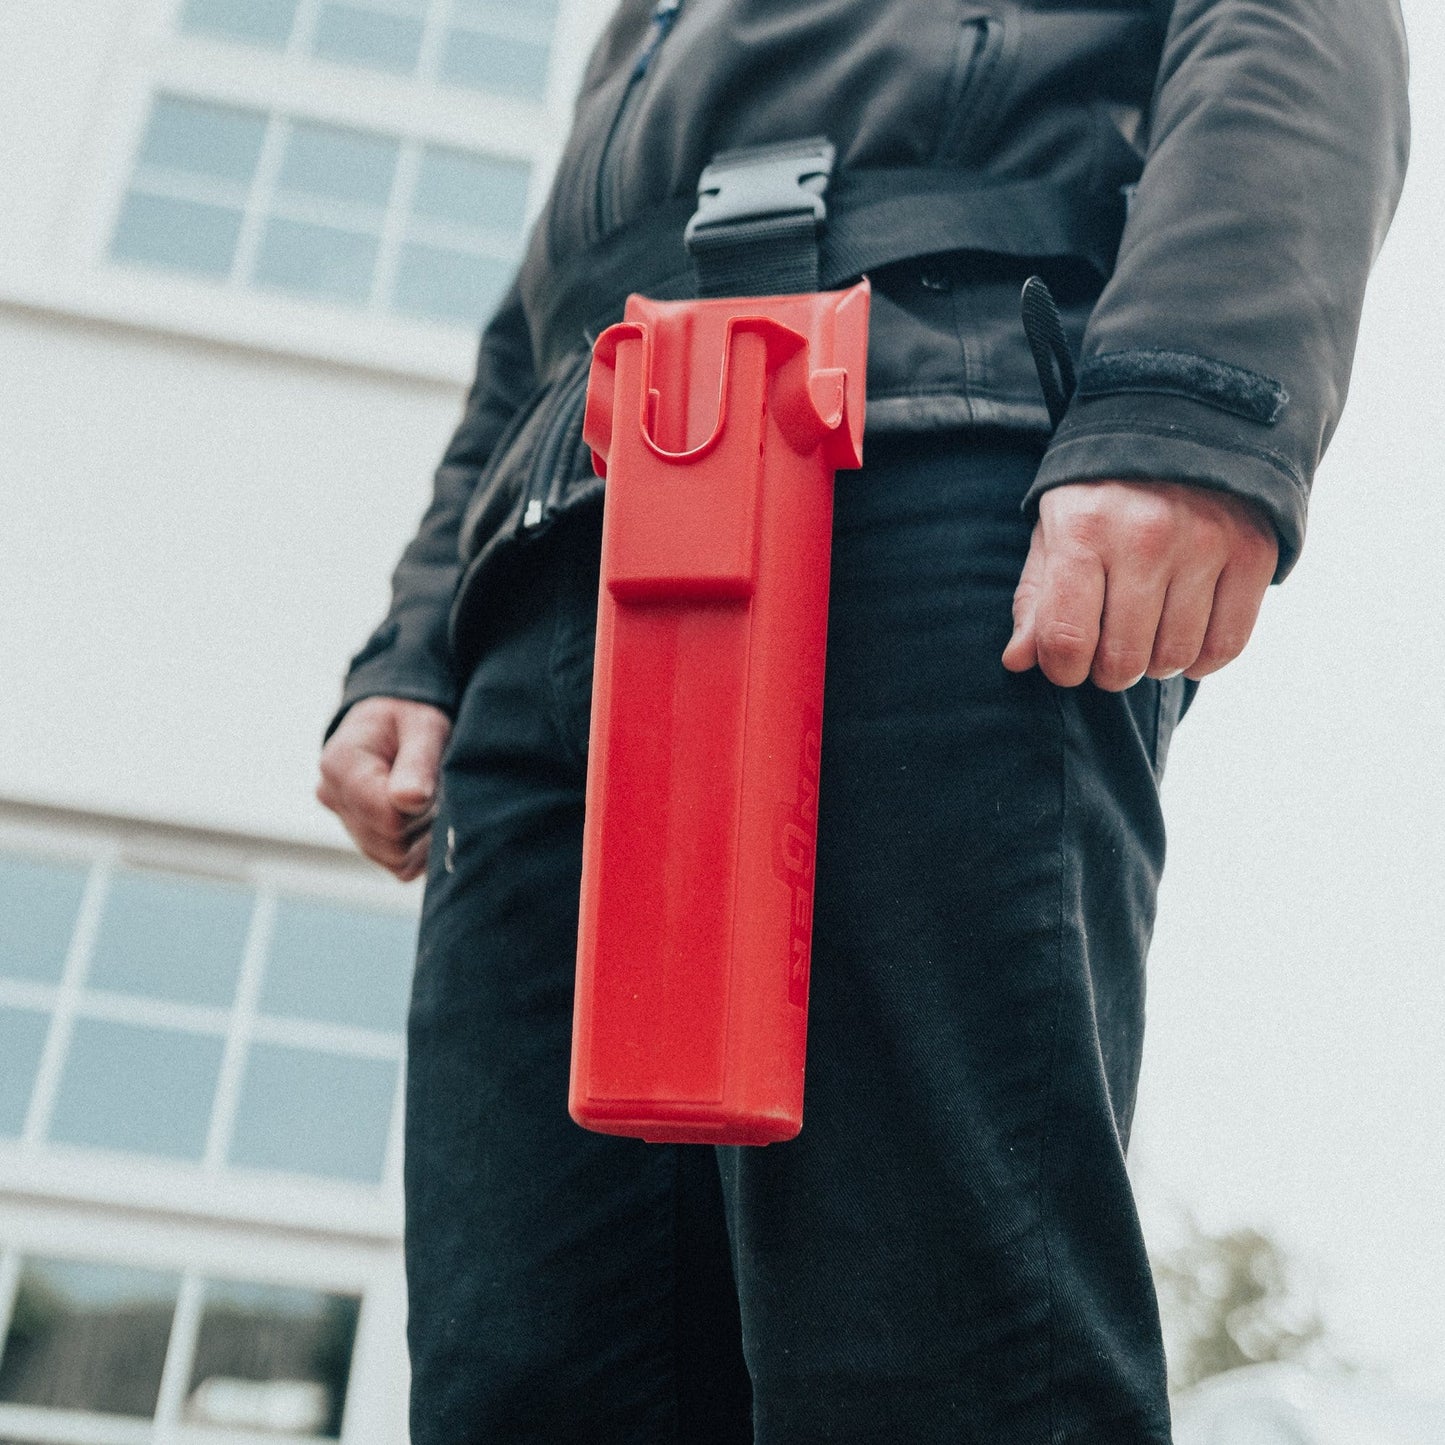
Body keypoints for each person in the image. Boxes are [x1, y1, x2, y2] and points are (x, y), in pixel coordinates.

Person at [317, 2, 1409, 1440]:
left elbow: (1287, 28)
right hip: (565, 561)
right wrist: (417, 640)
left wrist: (1185, 407)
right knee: (527, 1369)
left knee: (939, 1343)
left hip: (913, 460)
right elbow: (538, 317)